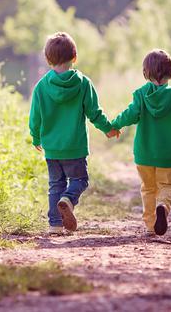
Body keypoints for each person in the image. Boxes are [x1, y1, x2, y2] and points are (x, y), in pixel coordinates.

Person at [29, 32, 120, 234]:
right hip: (75, 146)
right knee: (79, 181)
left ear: (48, 58)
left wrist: (35, 137)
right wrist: (109, 129)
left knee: (55, 185)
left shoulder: (41, 86)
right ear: (74, 57)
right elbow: (94, 113)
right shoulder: (83, 83)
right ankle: (68, 199)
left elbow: (35, 117)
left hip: (52, 147)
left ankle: (55, 225)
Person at [111, 49, 171, 236]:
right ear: (170, 72)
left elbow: (130, 114)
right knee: (167, 186)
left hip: (144, 153)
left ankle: (150, 226)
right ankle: (163, 206)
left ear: (146, 72)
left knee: (148, 189)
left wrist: (114, 126)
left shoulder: (141, 94)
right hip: (167, 154)